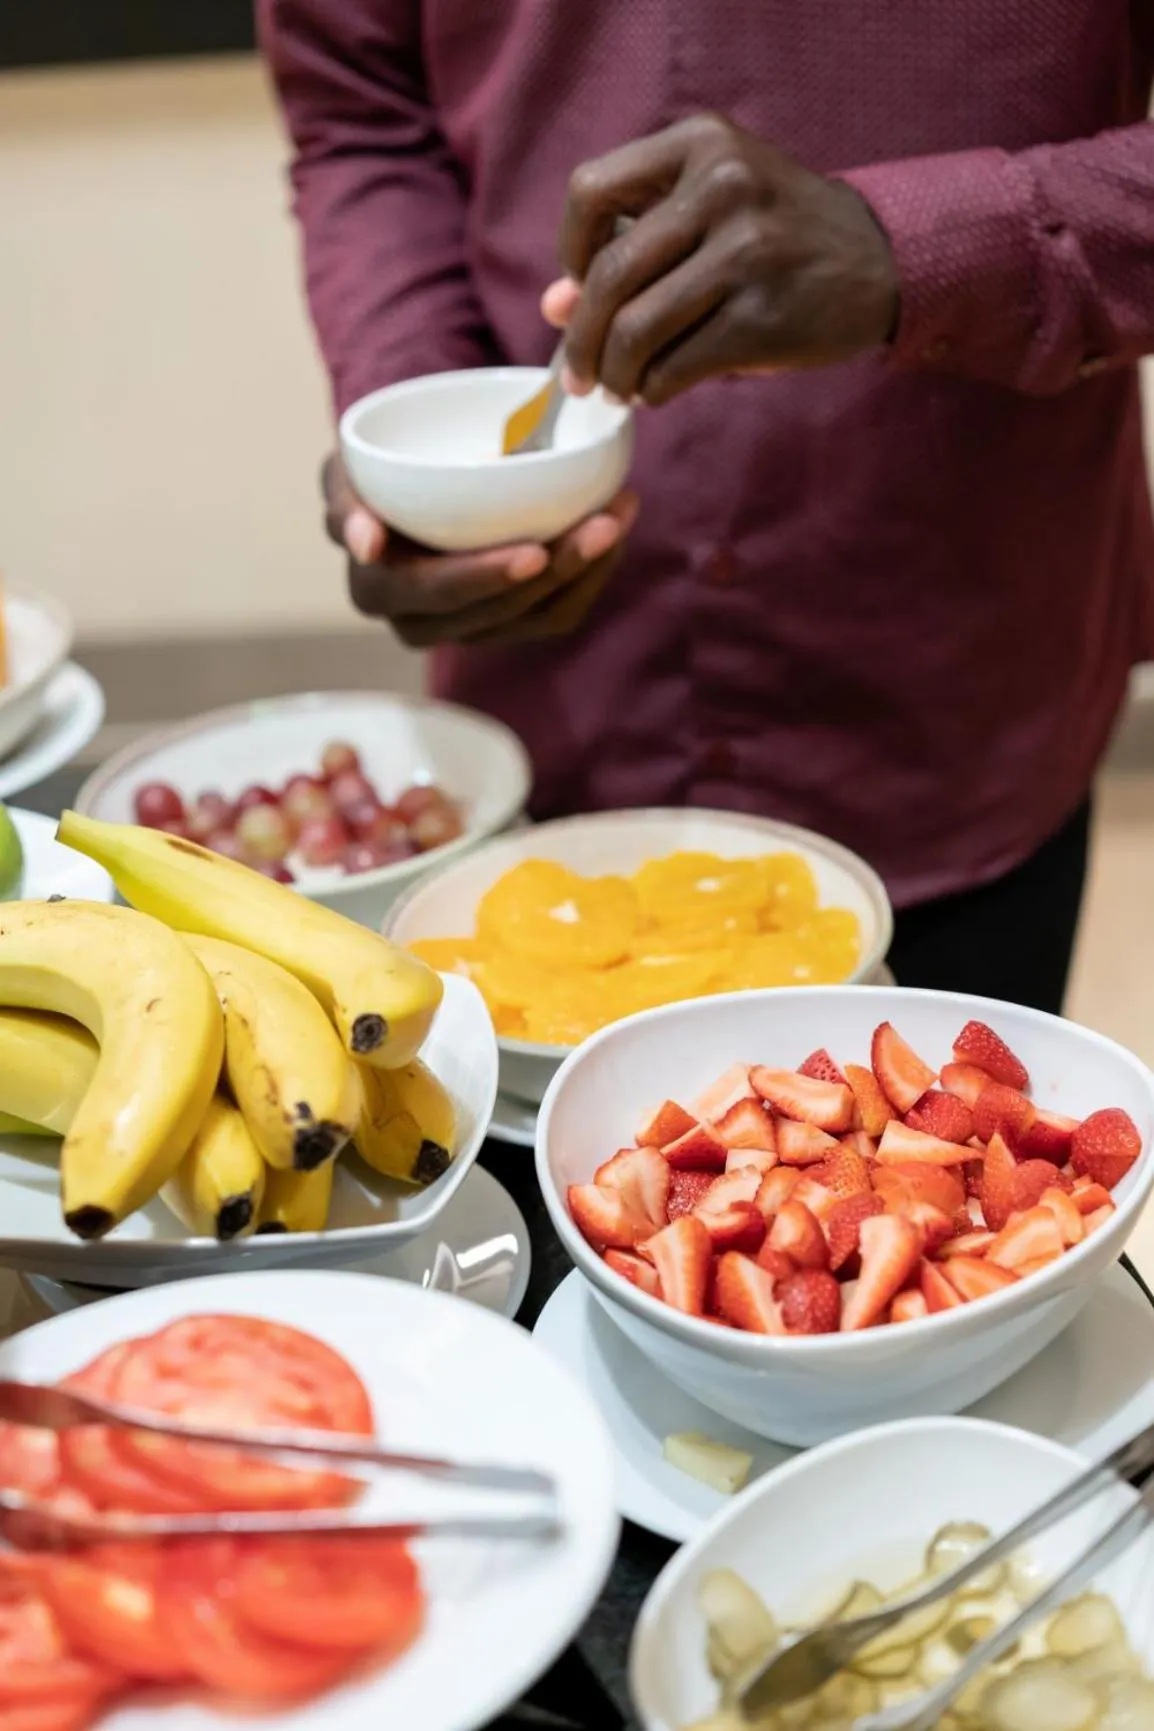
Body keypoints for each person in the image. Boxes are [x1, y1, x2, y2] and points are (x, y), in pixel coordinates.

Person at [258, 2, 1154, 1015]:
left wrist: (926, 247)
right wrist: (423, 421)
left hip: (964, 694)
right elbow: (363, 112)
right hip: (552, 714)